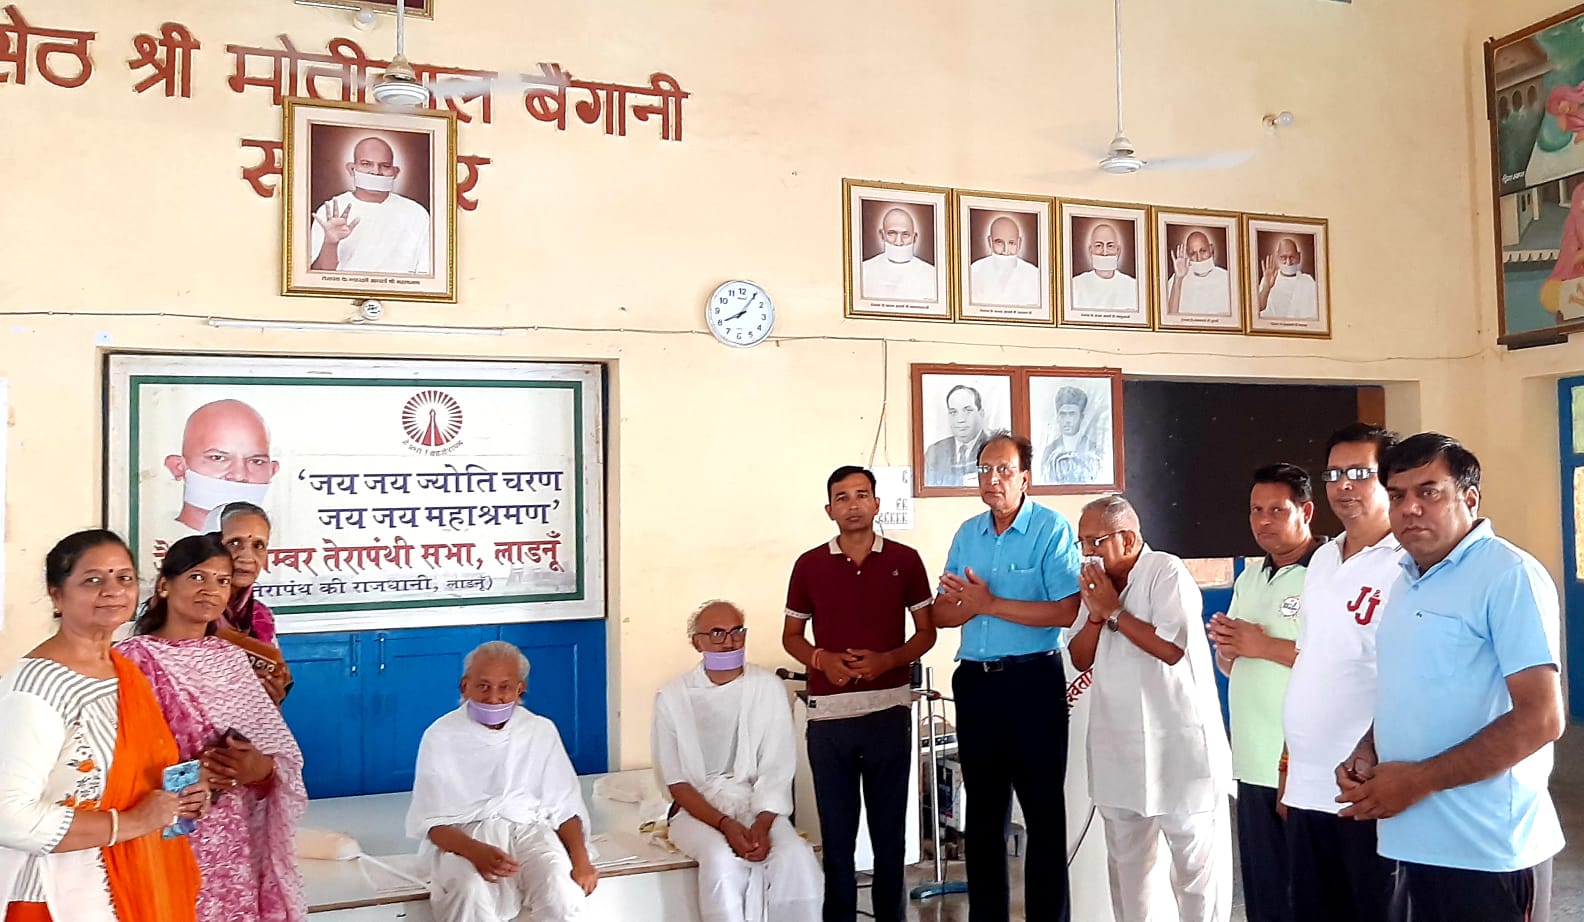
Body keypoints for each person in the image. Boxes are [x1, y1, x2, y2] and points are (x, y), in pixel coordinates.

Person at [1336, 434, 1565, 922]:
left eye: (1429, 492)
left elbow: (1542, 719)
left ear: (1470, 498)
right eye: (1397, 496)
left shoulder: (1508, 575)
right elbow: (1411, 688)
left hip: (1489, 848)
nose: (1410, 508)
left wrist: (1419, 780)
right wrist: (1368, 747)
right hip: (1416, 840)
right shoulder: (1406, 579)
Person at [0, 529, 208, 922]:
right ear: (57, 595)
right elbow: (7, 815)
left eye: (124, 578)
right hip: (58, 897)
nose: (112, 590)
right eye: (92, 580)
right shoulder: (36, 687)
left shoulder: (124, 673)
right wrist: (130, 822)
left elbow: (138, 779)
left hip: (140, 882)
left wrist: (181, 798)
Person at [118, 533, 308, 922]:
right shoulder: (132, 660)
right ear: (164, 585)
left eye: (222, 581)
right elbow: (120, 758)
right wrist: (196, 775)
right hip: (165, 830)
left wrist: (260, 768)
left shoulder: (232, 659)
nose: (211, 590)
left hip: (234, 838)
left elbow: (279, 753)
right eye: (197, 577)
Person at [932, 432, 1082, 922]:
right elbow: (941, 614)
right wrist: (966, 605)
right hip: (975, 684)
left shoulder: (1050, 529)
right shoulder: (968, 534)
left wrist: (989, 603)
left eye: (1003, 470)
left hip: (1031, 682)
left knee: (1043, 815)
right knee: (983, 817)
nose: (992, 479)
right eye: (984, 470)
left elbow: (1066, 610)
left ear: (1024, 478)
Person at [782, 466, 936, 922]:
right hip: (829, 719)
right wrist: (821, 660)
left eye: (861, 494)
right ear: (829, 509)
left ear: (877, 503)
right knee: (837, 838)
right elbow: (792, 636)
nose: (853, 504)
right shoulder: (809, 565)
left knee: (891, 839)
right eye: (842, 497)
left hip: (888, 714)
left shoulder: (905, 560)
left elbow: (926, 633)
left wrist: (888, 661)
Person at [1067, 495, 1231, 922]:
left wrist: (1114, 611)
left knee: (1194, 874)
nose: (1087, 552)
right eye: (1082, 542)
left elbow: (1171, 648)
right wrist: (1097, 616)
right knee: (1128, 873)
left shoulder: (1166, 571)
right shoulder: (1095, 584)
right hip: (1119, 749)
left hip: (1177, 746)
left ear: (1127, 538)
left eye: (1095, 541)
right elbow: (1080, 657)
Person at [1280, 425, 1404, 922]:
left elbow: (1407, 676)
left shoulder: (1406, 563)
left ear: (1390, 479)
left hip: (1363, 781)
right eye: (1333, 474)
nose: (1343, 485)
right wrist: (1288, 762)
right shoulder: (1323, 558)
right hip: (1307, 782)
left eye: (1359, 473)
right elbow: (1310, 661)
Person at [654, 601, 823, 922]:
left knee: (796, 859)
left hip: (757, 808)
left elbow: (777, 768)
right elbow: (676, 782)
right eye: (717, 633)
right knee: (720, 859)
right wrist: (726, 825)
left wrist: (762, 824)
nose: (730, 642)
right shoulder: (672, 697)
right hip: (695, 812)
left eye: (737, 632)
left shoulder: (767, 687)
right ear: (697, 642)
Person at [406, 641, 599, 922]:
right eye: (483, 686)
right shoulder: (441, 735)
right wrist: (475, 851)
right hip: (463, 836)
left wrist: (581, 861)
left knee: (560, 888)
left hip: (529, 830)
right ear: (464, 686)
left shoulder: (539, 730)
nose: (494, 697)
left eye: (504, 687)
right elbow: (431, 822)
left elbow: (565, 808)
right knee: (468, 889)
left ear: (520, 689)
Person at [1207, 463, 1317, 922]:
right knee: (1263, 891)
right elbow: (1236, 665)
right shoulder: (1250, 577)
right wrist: (1228, 650)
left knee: (1307, 892)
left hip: (1303, 763)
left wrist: (1261, 645)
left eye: (1277, 510)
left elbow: (1342, 665)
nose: (1264, 521)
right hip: (1253, 760)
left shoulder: (1327, 572)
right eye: (1256, 510)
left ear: (1305, 512)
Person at [308, 136, 433, 275]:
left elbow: (426, 274)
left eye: (385, 166)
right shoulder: (330, 211)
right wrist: (330, 243)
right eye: (366, 164)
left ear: (395, 172)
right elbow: (317, 276)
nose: (376, 172)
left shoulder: (416, 214)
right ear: (351, 169)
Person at [215, 502, 292, 704]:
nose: (247, 557)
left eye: (258, 546)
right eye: (234, 543)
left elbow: (274, 699)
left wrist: (273, 697)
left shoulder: (261, 617)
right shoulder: (183, 610)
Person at [164, 399, 279, 533]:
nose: (239, 476)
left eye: (256, 461)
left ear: (273, 470)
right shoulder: (156, 536)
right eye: (218, 458)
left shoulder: (284, 536)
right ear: (178, 467)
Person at [859, 207, 937, 302]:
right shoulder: (863, 271)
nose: (898, 242)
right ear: (882, 235)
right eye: (892, 234)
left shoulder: (932, 275)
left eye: (905, 235)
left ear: (915, 237)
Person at [923, 384, 990, 487]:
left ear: (981, 414)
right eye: (953, 412)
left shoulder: (993, 448)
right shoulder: (934, 452)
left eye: (968, 411)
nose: (960, 420)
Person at [968, 215, 1041, 306]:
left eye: (1011, 243)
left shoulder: (1035, 275)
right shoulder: (974, 271)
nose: (1005, 251)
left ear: (1019, 243)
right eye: (999, 242)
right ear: (990, 242)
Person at [1039, 386, 1103, 484]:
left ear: (1081, 417)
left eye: (1072, 414)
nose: (1067, 420)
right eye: (1063, 414)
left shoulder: (1093, 449)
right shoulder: (1050, 451)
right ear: (1057, 417)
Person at [1071, 221, 1138, 310]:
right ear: (1091, 250)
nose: (1105, 252)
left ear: (1118, 250)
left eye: (1110, 246)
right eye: (1099, 246)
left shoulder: (1133, 286)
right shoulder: (1075, 285)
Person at [1166, 231, 1232, 316]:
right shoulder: (1178, 278)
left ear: (1211, 249)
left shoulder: (1227, 278)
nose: (1199, 258)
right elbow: (1169, 318)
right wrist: (1178, 279)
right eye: (1193, 253)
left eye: (1203, 251)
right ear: (1187, 256)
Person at [1256, 237, 1319, 320]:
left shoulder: (1308, 281)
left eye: (1292, 257)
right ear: (1277, 257)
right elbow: (1257, 309)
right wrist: (1266, 289)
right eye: (1283, 257)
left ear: (1299, 257)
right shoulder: (1268, 279)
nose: (1288, 263)